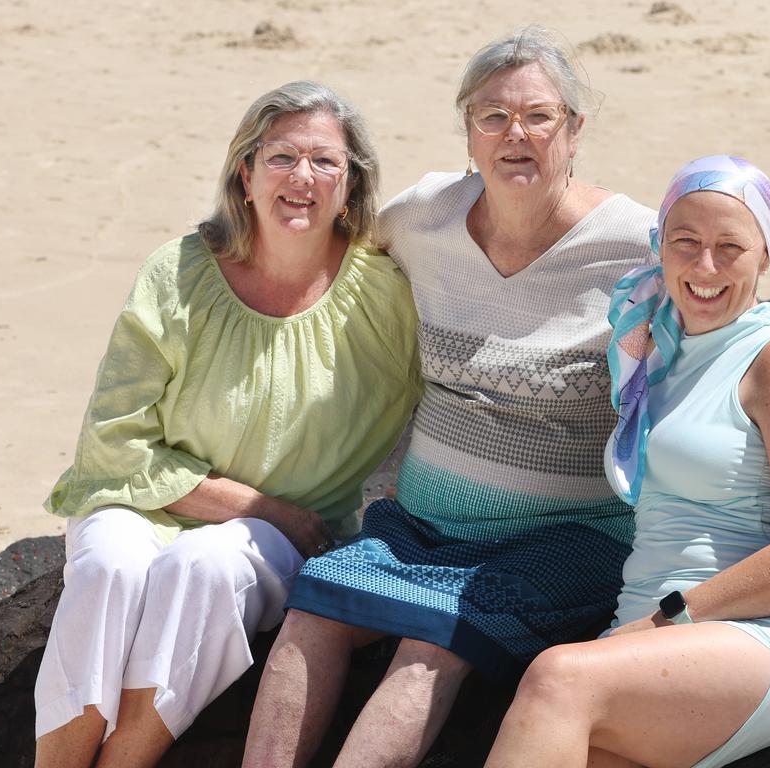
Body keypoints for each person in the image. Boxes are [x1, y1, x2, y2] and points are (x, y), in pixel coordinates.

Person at [242, 26, 657, 768]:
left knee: (432, 634)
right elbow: (325, 265)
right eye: (492, 116)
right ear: (468, 132)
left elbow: (727, 337)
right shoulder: (422, 217)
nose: (515, 134)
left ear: (575, 129)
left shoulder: (637, 247)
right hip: (419, 523)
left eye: (539, 115)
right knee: (316, 605)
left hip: (568, 536)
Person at [32, 80, 422, 768]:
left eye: (326, 162)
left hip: (272, 543)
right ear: (245, 173)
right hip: (144, 503)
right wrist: (260, 505)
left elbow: (453, 388)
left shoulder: (386, 297)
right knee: (110, 570)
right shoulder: (177, 273)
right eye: (281, 158)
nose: (303, 177)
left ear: (352, 183)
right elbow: (113, 444)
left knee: (203, 564)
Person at [484, 155, 770, 768]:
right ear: (659, 245)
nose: (705, 266)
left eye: (730, 247)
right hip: (658, 645)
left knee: (555, 678)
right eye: (685, 242)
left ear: (765, 255)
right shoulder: (654, 356)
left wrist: (673, 616)